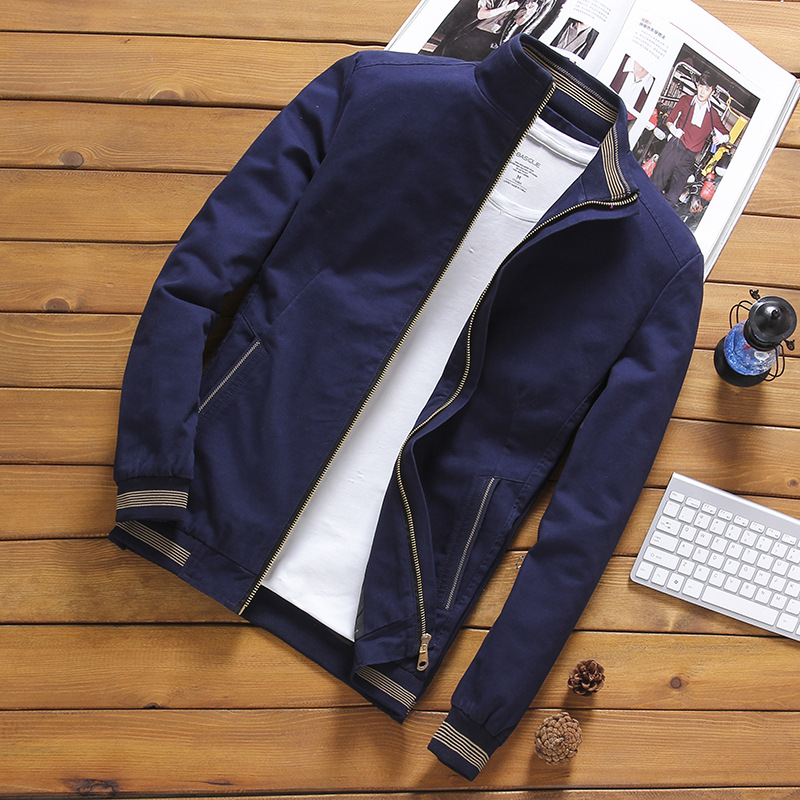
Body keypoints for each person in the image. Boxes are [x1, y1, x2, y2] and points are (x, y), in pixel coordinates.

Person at [652, 71, 729, 206]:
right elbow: (669, 120)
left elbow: (726, 135)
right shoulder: (685, 100)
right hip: (675, 147)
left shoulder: (713, 114)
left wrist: (720, 139)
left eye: (707, 89)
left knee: (673, 197)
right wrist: (674, 130)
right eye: (701, 86)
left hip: (689, 157)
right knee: (654, 185)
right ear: (697, 86)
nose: (702, 92)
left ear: (712, 92)